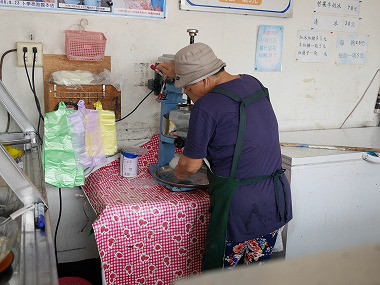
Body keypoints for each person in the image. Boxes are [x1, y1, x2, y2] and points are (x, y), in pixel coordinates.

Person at [155, 42, 292, 271]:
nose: (188, 96)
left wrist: (174, 174)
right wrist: (178, 70)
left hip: (238, 210)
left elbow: (189, 166)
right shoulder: (252, 82)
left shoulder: (207, 106)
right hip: (273, 199)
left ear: (204, 81)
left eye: (187, 89)